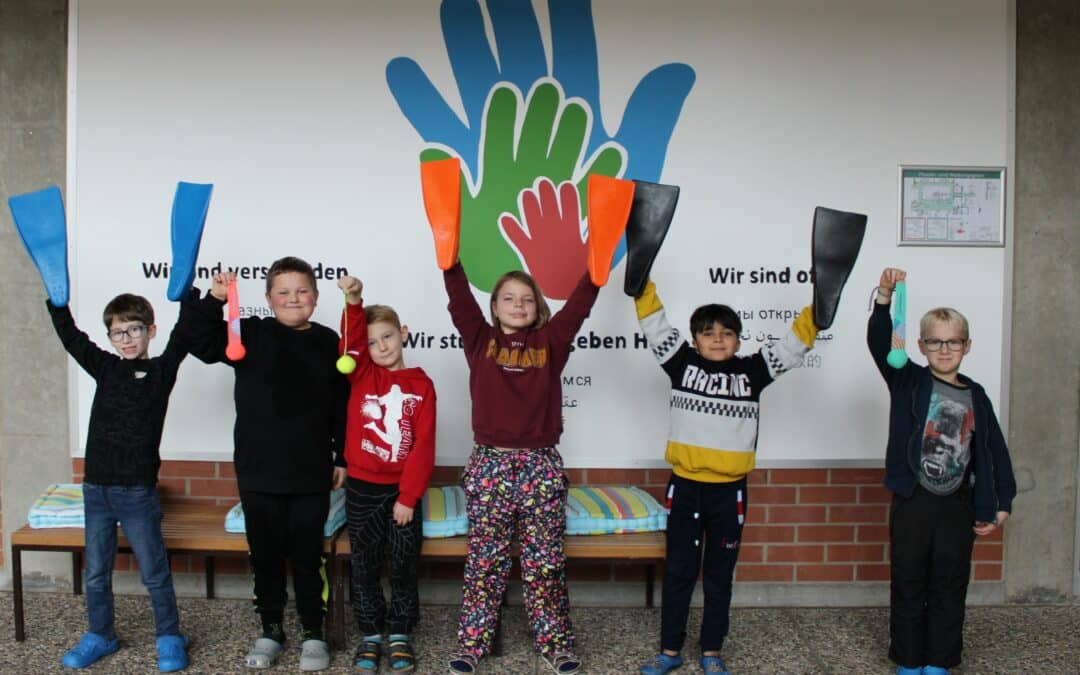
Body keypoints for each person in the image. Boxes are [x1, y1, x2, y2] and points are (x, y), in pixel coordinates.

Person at [634, 278, 818, 675]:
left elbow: (792, 346)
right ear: (695, 340)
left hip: (729, 493)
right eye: (708, 333)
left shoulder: (753, 372)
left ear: (738, 340)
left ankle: (712, 650)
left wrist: (818, 310)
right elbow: (655, 324)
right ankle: (670, 650)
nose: (718, 340)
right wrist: (642, 282)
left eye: (727, 334)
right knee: (680, 571)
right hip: (684, 489)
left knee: (719, 575)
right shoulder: (680, 363)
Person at [185, 257, 348, 672]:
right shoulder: (250, 333)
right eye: (283, 292)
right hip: (258, 468)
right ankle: (271, 629)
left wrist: (343, 456)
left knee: (309, 557)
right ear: (268, 299)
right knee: (267, 556)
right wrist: (214, 299)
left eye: (302, 291)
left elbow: (341, 406)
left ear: (315, 295)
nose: (294, 299)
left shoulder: (330, 341)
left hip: (310, 469)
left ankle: (314, 631)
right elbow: (198, 341)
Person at [444, 260, 600, 675]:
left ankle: (555, 644)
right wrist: (450, 262)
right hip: (489, 466)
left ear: (538, 308)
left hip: (540, 467)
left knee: (544, 561)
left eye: (527, 299)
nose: (518, 304)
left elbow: (580, 306)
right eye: (509, 298)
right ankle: (472, 644)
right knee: (485, 562)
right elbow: (459, 300)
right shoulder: (480, 339)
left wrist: (596, 272)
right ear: (494, 306)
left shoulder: (552, 342)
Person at [870, 268, 1016, 675]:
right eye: (935, 341)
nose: (945, 349)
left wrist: (1002, 500)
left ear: (967, 346)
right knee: (909, 580)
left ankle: (940, 661)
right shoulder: (907, 380)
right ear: (920, 345)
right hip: (914, 499)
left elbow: (993, 451)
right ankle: (910, 660)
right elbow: (879, 341)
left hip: (957, 503)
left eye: (953, 341)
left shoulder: (976, 395)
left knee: (949, 584)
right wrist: (884, 296)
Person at [48, 291, 196, 672]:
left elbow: (184, 333)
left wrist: (194, 296)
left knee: (154, 572)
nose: (127, 339)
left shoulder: (161, 372)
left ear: (150, 331)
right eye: (118, 332)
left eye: (134, 330)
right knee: (96, 572)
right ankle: (101, 634)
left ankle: (169, 636)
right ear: (110, 338)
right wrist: (56, 301)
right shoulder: (106, 367)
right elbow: (72, 338)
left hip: (137, 493)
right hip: (96, 489)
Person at [336, 275, 436, 674]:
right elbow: (352, 343)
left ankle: (399, 632)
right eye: (373, 342)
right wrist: (354, 301)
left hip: (401, 492)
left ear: (404, 334)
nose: (381, 348)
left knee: (402, 563)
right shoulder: (362, 375)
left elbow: (423, 445)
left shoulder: (421, 384)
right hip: (362, 488)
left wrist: (409, 497)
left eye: (388, 338)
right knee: (363, 561)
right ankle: (371, 633)